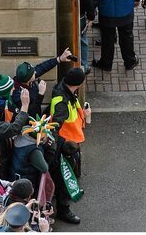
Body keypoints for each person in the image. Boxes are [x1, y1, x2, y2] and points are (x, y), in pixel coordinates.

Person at [50, 67, 89, 226]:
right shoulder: (62, 104)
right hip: (65, 147)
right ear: (78, 85)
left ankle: (71, 188)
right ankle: (63, 210)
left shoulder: (63, 88)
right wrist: (64, 148)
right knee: (63, 178)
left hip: (70, 144)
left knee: (68, 175)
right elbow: (55, 127)